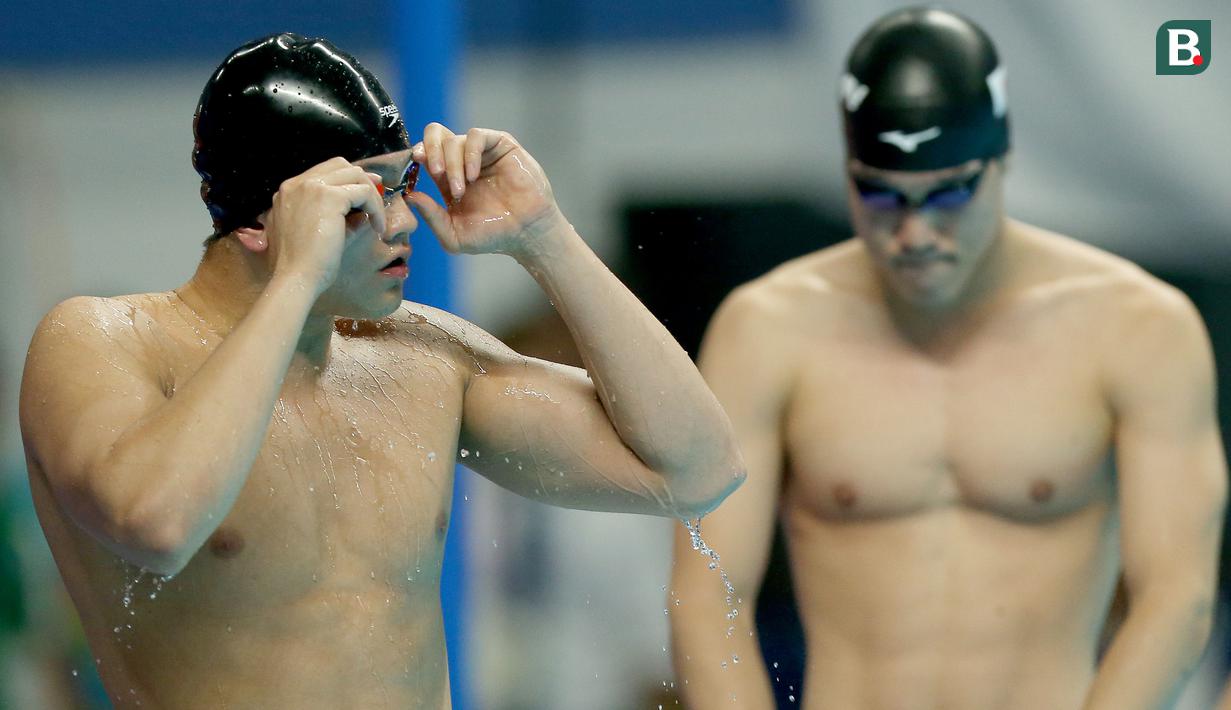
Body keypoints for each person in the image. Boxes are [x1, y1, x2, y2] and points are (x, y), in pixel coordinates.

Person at [18, 33, 744, 709]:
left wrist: (544, 237)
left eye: (401, 186)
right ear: (258, 218)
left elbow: (697, 471)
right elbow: (158, 521)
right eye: (363, 199)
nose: (401, 223)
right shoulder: (104, 341)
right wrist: (296, 280)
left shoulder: (419, 361)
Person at [669, 7, 1226, 710]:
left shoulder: (1137, 327)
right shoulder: (768, 329)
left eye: (947, 195)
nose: (914, 233)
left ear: (1003, 163)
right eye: (879, 196)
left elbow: (1177, 595)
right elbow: (707, 595)